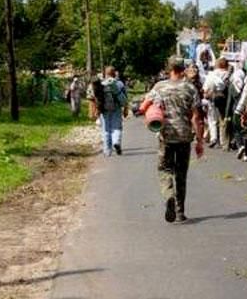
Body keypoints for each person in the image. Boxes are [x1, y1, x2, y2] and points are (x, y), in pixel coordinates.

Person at [143, 57, 205, 223]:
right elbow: (196, 117)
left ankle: (168, 195)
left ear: (169, 69)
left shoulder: (159, 87)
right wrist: (199, 141)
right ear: (182, 69)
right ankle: (179, 212)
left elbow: (144, 106)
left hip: (166, 136)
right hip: (185, 136)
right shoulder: (190, 88)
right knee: (181, 174)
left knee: (164, 169)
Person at [96, 66, 128, 157]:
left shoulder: (101, 84)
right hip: (116, 108)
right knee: (116, 127)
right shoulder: (119, 84)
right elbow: (125, 98)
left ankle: (107, 151)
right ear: (115, 73)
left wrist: (97, 110)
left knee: (106, 129)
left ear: (105, 73)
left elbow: (97, 98)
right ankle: (116, 142)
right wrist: (125, 109)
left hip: (104, 109)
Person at [202, 58, 230, 149]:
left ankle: (214, 138)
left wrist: (206, 94)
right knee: (223, 119)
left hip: (213, 97)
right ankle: (223, 140)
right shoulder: (228, 74)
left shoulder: (211, 75)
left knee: (212, 119)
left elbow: (206, 88)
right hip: (224, 98)